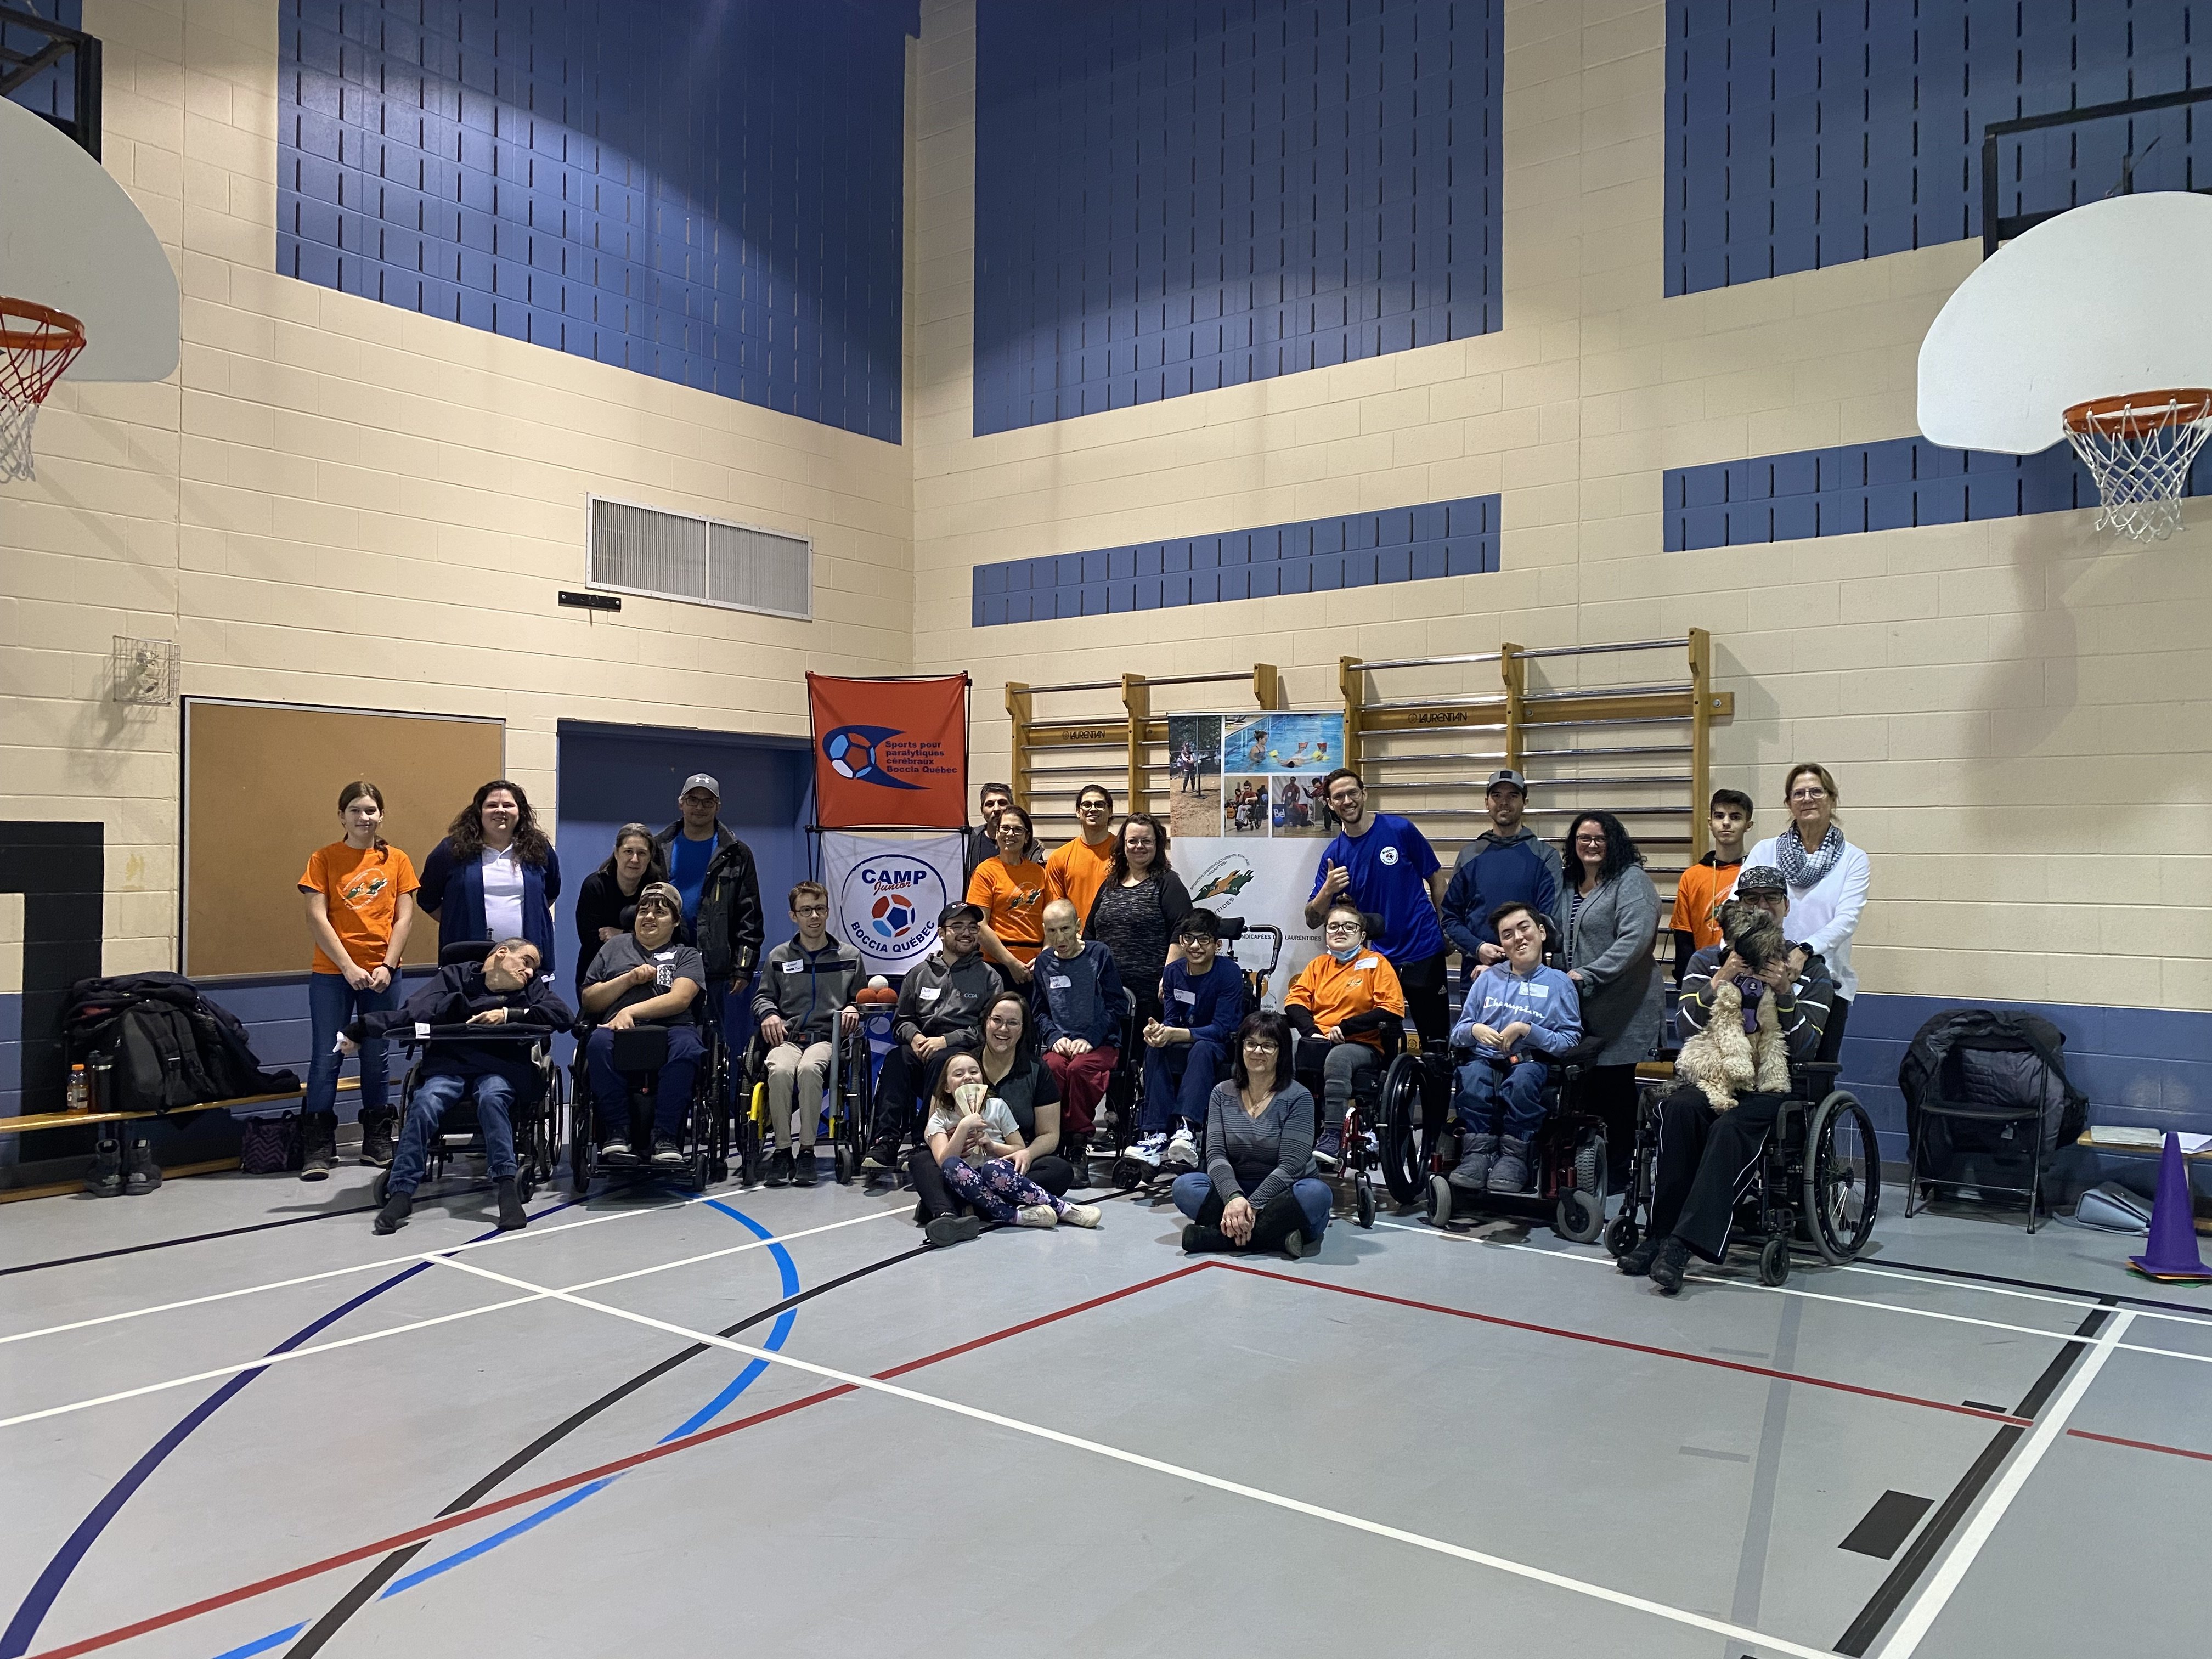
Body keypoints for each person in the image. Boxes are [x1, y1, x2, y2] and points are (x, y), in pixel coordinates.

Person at [1623, 868, 1835, 1293]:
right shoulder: (1705, 960)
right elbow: (1683, 1029)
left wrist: (1787, 994)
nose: (1761, 907)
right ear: (1737, 909)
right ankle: (1659, 1233)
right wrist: (1718, 982)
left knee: (1730, 1127)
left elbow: (1809, 1047)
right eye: (1751, 899)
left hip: (1773, 1084)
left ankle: (1681, 1245)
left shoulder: (1810, 969)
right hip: (1715, 1073)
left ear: (1786, 907)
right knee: (1679, 1109)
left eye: (1771, 899)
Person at [341, 938, 572, 1234]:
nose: (530, 973)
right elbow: (414, 1013)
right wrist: (361, 1028)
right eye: (526, 962)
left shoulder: (531, 989)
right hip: (450, 1066)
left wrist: (508, 1015)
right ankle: (401, 1192)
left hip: (500, 1068)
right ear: (502, 953)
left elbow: (562, 1016)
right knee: (424, 1102)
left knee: (492, 1097)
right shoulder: (453, 977)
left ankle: (505, 1188)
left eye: (534, 969)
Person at [298, 782, 420, 1177]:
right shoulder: (323, 859)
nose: (363, 817)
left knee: (376, 1056)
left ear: (381, 815)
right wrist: (349, 966)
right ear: (341, 816)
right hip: (334, 974)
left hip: (384, 974)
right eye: (355, 810)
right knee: (326, 1056)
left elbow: (404, 917)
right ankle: (318, 1144)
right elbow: (317, 917)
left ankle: (377, 1138)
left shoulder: (397, 860)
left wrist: (387, 964)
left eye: (370, 810)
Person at [912, 991, 1079, 1244]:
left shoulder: (1037, 1070)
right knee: (922, 1161)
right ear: (985, 1023)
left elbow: (1050, 1135)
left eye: (1013, 1023)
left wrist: (1027, 1154)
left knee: (1059, 1170)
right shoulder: (959, 1065)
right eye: (997, 1020)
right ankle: (947, 1215)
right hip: (960, 1163)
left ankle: (966, 1206)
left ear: (1023, 1029)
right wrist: (957, 1135)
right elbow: (934, 1124)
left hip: (1006, 1164)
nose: (1004, 1029)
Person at [1304, 768, 1450, 1051]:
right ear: (1330, 805)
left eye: (1352, 793)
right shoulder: (1334, 855)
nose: (1347, 801)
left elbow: (1435, 877)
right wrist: (1328, 890)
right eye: (1339, 797)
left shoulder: (1400, 830)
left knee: (1436, 1047)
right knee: (1382, 1048)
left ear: (1364, 794)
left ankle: (1438, 1095)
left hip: (1424, 949)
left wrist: (1446, 928)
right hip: (1378, 961)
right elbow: (1312, 919)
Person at [1447, 901, 1583, 1194]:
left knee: (1522, 1081)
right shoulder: (1487, 980)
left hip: (1529, 1062)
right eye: (1507, 935)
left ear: (1542, 933)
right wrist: (1474, 1029)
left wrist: (1529, 1031)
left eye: (1524, 929)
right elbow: (1457, 1033)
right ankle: (1478, 1154)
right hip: (1484, 1059)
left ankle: (1515, 1156)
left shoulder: (1560, 984)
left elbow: (1571, 1040)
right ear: (1501, 944)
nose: (1518, 938)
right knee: (1472, 1080)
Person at [1173, 1009, 1331, 1259]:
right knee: (1184, 1186)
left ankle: (1217, 1238)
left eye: (1268, 1046)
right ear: (1242, 1047)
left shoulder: (1298, 1097)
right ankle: (1277, 1238)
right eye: (1251, 1044)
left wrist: (1254, 1204)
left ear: (1282, 1053)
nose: (1258, 1052)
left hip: (1285, 1192)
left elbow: (1291, 1166)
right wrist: (1234, 1198)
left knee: (1317, 1195)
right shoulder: (1221, 1093)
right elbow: (1216, 1155)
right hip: (1236, 1188)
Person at [1561, 811, 1666, 1184]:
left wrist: (1589, 973)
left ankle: (1622, 1172)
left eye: (1599, 838)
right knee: (1585, 1089)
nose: (1591, 845)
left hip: (1625, 1003)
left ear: (1614, 842)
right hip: (1582, 1003)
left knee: (1615, 1088)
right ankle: (1593, 1168)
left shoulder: (1631, 881)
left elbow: (1634, 942)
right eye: (1583, 838)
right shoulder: (1569, 882)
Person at [861, 902, 1005, 1172]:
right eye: (958, 927)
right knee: (897, 1057)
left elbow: (990, 1029)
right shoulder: (919, 974)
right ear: (941, 933)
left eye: (973, 927)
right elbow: (902, 1021)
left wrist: (947, 1040)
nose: (967, 933)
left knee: (945, 1061)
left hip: (962, 1052)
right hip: (922, 1045)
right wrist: (915, 1037)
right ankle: (886, 1140)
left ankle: (923, 1142)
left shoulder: (989, 978)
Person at [1745, 763, 1868, 1064]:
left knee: (1812, 1075)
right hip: (1764, 975)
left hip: (1825, 980)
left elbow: (1846, 919)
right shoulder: (1765, 851)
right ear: (1789, 803)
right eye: (1798, 793)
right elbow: (1744, 907)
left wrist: (1805, 951)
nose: (1807, 798)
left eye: (1816, 791)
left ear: (1831, 798)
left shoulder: (1854, 859)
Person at [579, 882, 704, 1166]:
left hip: (673, 1027)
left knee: (689, 1048)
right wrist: (629, 979)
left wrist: (631, 1011)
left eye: (660, 913)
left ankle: (666, 1136)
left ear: (674, 923)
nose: (648, 916)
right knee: (597, 1044)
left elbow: (681, 999)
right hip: (616, 1029)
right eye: (643, 911)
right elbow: (590, 1000)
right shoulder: (613, 948)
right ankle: (617, 1132)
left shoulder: (686, 955)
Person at [919, 1051, 1104, 1236]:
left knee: (997, 1169)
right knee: (948, 1165)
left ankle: (1061, 1208)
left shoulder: (997, 1106)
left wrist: (992, 1146)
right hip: (966, 1179)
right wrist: (963, 1127)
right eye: (959, 1074)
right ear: (946, 1087)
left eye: (974, 1072)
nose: (967, 1077)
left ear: (983, 1080)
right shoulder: (940, 1118)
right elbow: (944, 1162)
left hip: (1000, 1174)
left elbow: (1019, 1149)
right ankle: (1013, 1215)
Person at [751, 881, 861, 1188]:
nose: (814, 917)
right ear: (793, 916)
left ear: (828, 912)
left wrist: (854, 1007)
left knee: (811, 1070)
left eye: (820, 909)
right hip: (787, 1038)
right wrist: (769, 1014)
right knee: (781, 1069)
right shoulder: (778, 955)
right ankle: (783, 1150)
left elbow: (861, 997)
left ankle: (808, 1151)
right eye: (806, 910)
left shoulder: (849, 956)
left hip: (826, 1039)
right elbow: (762, 998)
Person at [1284, 901, 1406, 1168]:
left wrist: (1347, 1027)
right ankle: (1291, 1131)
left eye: (1349, 927)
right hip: (1320, 1040)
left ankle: (1332, 1134)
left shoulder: (1377, 964)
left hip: (1362, 1044)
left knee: (1338, 1059)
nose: (1340, 931)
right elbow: (1295, 1002)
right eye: (1333, 927)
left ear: (1362, 934)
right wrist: (1312, 1032)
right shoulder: (1319, 965)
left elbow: (1391, 1010)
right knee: (1283, 1055)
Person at [1131, 908, 1246, 1176]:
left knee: (1202, 1048)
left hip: (1217, 1044)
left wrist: (1175, 1034)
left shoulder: (1229, 973)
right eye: (1188, 939)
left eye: (1203, 940)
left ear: (1217, 945)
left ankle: (1187, 1129)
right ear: (1181, 941)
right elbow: (1171, 1019)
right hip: (1181, 1040)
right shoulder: (1172, 973)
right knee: (1155, 1047)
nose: (1195, 946)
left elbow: (1222, 1028)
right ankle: (1156, 1135)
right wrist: (1158, 1032)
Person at [418, 779, 561, 979]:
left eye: (508, 805)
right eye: (492, 805)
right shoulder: (452, 851)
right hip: (468, 963)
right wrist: (459, 919)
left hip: (525, 963)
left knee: (527, 1011)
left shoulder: (539, 849)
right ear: (479, 811)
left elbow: (551, 893)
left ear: (520, 812)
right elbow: (427, 898)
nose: (500, 811)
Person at [653, 772, 765, 1011]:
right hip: (663, 960)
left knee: (712, 1039)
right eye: (693, 800)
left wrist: (743, 967)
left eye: (708, 802)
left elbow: (750, 916)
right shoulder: (658, 847)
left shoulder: (737, 853)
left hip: (715, 967)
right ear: (681, 803)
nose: (699, 807)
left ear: (718, 806)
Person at [1440, 770, 1562, 985]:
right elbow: (1450, 917)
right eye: (1497, 795)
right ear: (1487, 802)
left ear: (1525, 802)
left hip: (1528, 976)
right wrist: (1478, 948)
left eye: (1513, 796)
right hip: (1476, 973)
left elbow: (1548, 922)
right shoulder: (1470, 855)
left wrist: (1510, 961)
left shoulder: (1545, 857)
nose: (1504, 802)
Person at [1031, 898, 1125, 1149]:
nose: (1059, 937)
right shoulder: (1043, 963)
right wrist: (1053, 1038)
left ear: (1078, 926)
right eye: (1052, 931)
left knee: (1079, 1070)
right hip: (1061, 1042)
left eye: (1065, 929)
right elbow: (1039, 1012)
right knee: (1051, 1068)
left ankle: (1077, 1140)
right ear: (1044, 931)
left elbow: (1117, 1005)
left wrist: (1090, 1039)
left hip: (1100, 1042)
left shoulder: (1099, 954)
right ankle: (1052, 1137)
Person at [1084, 811, 1192, 1027]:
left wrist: (1168, 977)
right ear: (1123, 845)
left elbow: (1182, 931)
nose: (1139, 846)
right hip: (1106, 994)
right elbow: (1089, 933)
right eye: (1132, 841)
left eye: (1146, 841)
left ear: (1157, 844)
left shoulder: (1168, 883)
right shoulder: (1110, 885)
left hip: (1151, 997)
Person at [573, 823, 668, 998]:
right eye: (628, 852)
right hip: (599, 973)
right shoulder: (595, 886)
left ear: (650, 857)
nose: (634, 859)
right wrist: (641, 935)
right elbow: (590, 940)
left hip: (647, 972)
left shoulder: (658, 887)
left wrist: (622, 935)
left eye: (642, 853)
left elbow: (670, 935)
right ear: (617, 853)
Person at [1671, 789, 1754, 984]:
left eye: (1735, 817)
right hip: (1704, 974)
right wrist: (1686, 981)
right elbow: (1684, 938)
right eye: (1719, 816)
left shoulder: (1756, 872)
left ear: (1748, 825)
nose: (1726, 823)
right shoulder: (1692, 877)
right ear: (1710, 823)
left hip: (1750, 975)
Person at [968, 802, 1048, 985]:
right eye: (1005, 828)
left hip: (1036, 965)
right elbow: (980, 924)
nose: (1010, 834)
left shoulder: (1039, 873)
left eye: (1018, 830)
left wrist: (1044, 958)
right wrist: (1011, 963)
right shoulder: (985, 871)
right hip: (997, 964)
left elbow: (1050, 921)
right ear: (997, 834)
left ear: (1027, 837)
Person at [1043, 783, 1118, 924]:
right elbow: (1056, 909)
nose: (1093, 809)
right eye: (1087, 805)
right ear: (1078, 812)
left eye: (1100, 805)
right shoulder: (1059, 857)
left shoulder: (1124, 853)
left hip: (1117, 937)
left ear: (1110, 811)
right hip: (1076, 940)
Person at [964, 780, 1018, 883]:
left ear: (1012, 808)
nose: (997, 809)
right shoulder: (968, 843)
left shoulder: (1029, 846)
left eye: (1002, 803)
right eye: (990, 804)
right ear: (982, 812)